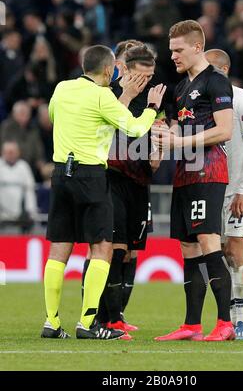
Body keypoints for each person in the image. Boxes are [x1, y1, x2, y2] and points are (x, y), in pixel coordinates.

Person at [41, 44, 166, 340]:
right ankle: (87, 324)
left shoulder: (61, 88)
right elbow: (135, 129)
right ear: (110, 70)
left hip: (61, 172)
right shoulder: (102, 97)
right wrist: (150, 107)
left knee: (59, 249)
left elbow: (52, 117)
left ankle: (51, 321)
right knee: (101, 248)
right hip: (91, 175)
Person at [152, 20, 234, 341]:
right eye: (171, 50)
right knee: (188, 247)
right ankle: (191, 325)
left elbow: (224, 130)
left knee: (208, 242)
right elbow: (179, 128)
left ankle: (225, 323)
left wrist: (178, 142)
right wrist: (164, 131)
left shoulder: (216, 81)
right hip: (184, 173)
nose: (172, 56)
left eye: (178, 50)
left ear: (197, 47)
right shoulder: (182, 87)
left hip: (209, 171)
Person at [82, 41, 163, 340]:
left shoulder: (153, 97)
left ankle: (116, 315)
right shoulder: (109, 94)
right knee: (110, 249)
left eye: (149, 77)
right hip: (110, 176)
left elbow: (158, 128)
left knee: (129, 251)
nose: (146, 82)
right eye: (140, 76)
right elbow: (114, 126)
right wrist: (129, 95)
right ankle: (106, 318)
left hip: (139, 181)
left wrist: (157, 150)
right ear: (124, 70)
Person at [205, 49, 243, 340]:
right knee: (219, 255)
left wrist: (242, 189)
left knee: (235, 251)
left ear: (225, 69)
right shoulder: (205, 100)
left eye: (211, 67)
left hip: (242, 188)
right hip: (214, 187)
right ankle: (226, 321)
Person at [0, 140, 37, 232]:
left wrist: (31, 212)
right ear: (2, 153)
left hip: (20, 216)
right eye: (8, 152)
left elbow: (30, 190)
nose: (10, 154)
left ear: (18, 153)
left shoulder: (24, 166)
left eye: (13, 152)